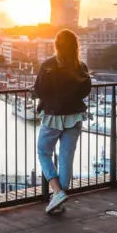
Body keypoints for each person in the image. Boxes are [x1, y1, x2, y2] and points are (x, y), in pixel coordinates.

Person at [33, 29, 91, 213]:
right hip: (74, 117)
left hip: (53, 116)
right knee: (67, 157)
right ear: (75, 46)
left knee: (43, 151)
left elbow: (40, 91)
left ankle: (57, 192)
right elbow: (85, 91)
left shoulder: (49, 66)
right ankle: (59, 198)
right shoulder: (80, 67)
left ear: (56, 45)